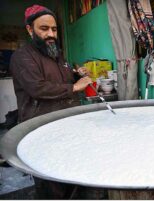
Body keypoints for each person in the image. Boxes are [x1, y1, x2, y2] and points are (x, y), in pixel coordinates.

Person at [10, 5, 105, 199]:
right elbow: (37, 87)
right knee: (50, 183)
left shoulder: (56, 54)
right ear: (30, 30)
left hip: (67, 125)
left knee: (70, 173)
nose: (51, 34)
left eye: (54, 29)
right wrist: (74, 87)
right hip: (41, 129)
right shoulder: (22, 57)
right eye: (44, 29)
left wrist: (76, 73)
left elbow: (64, 73)